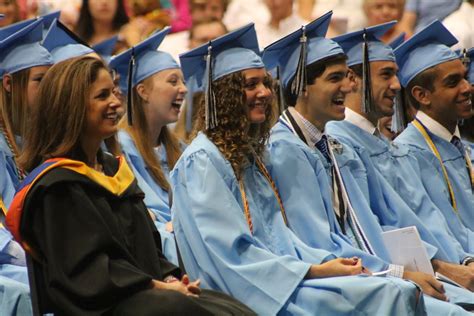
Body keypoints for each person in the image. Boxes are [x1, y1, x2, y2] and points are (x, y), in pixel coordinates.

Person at [172, 23, 424, 315]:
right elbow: (233, 254)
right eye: (250, 85)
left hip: (282, 279)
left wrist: (321, 265)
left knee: (395, 290)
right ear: (224, 95)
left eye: (265, 83)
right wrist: (313, 271)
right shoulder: (202, 162)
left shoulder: (248, 158)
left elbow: (280, 238)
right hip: (248, 292)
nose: (265, 93)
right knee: (387, 294)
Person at [5, 55, 255, 316]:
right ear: (72, 107)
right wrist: (158, 287)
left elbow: (147, 247)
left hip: (140, 295)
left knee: (228, 306)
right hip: (100, 306)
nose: (115, 103)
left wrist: (169, 279)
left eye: (113, 93)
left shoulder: (113, 170)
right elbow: (88, 274)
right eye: (102, 96)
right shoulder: (56, 186)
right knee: (177, 307)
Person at [263, 14, 472, 314]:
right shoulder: (287, 149)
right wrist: (400, 273)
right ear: (302, 86)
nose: (347, 88)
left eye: (346, 77)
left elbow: (375, 222)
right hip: (344, 281)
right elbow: (323, 242)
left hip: (375, 273)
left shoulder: (330, 146)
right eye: (336, 78)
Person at [394, 21, 474, 264]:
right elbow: (436, 229)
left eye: (464, 78)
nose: (467, 88)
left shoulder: (466, 148)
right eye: (453, 83)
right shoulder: (406, 154)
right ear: (422, 95)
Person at [113, 27, 186, 264]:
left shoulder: (180, 149)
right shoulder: (119, 150)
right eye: (173, 81)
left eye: (183, 81)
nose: (183, 89)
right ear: (142, 92)